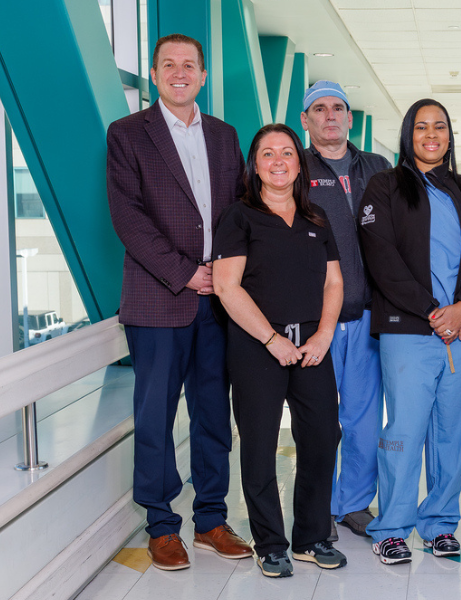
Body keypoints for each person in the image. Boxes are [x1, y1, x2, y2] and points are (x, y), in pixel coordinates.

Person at [107, 33, 251, 571]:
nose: (179, 72)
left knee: (214, 414)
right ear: (154, 73)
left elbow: (239, 210)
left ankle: (211, 519)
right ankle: (162, 525)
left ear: (204, 75)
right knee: (156, 415)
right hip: (159, 298)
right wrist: (188, 273)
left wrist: (229, 275)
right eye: (168, 64)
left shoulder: (224, 135)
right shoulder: (127, 134)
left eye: (189, 64)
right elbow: (129, 220)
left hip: (220, 302)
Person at [358, 99, 461, 565]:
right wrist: (431, 310)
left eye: (440, 125)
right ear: (408, 134)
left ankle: (439, 523)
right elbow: (381, 258)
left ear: (449, 135)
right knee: (404, 429)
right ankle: (391, 527)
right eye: (422, 127)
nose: (431, 134)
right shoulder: (385, 187)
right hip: (409, 330)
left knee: (453, 431)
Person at [212, 123, 347, 577]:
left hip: (311, 344)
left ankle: (311, 537)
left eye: (286, 152)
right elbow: (226, 286)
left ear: (299, 163)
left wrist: (324, 335)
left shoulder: (316, 219)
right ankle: (270, 542)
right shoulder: (239, 217)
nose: (278, 161)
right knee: (259, 444)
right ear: (255, 164)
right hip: (257, 346)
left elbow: (333, 281)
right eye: (267, 153)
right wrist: (272, 340)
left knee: (322, 437)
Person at [300, 80, 392, 540]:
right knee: (318, 418)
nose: (330, 115)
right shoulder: (293, 168)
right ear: (306, 120)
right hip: (318, 318)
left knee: (362, 417)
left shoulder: (377, 167)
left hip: (370, 314)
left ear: (350, 118)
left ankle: (354, 504)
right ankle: (317, 507)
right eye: (319, 109)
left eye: (338, 108)